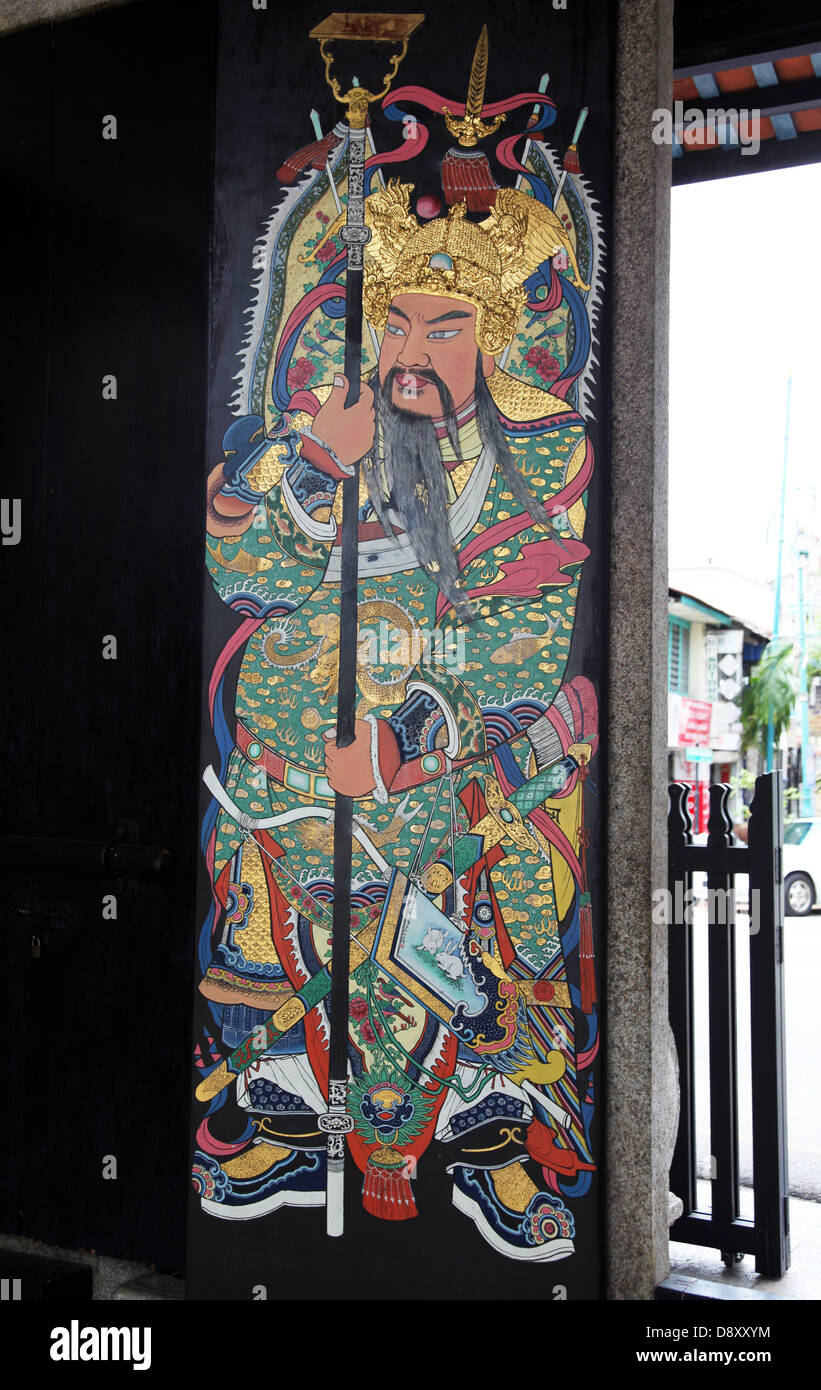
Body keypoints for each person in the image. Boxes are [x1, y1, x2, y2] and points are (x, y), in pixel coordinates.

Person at [193, 185, 599, 1260]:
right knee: (273, 910)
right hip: (293, 762)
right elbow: (240, 574)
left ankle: (494, 1129)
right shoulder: (321, 430)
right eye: (399, 324)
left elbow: (523, 634)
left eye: (445, 325)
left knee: (505, 883)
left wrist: (409, 743)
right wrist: (314, 465)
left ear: (495, 335)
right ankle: (282, 1117)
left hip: (443, 757)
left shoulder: (539, 452)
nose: (413, 349)